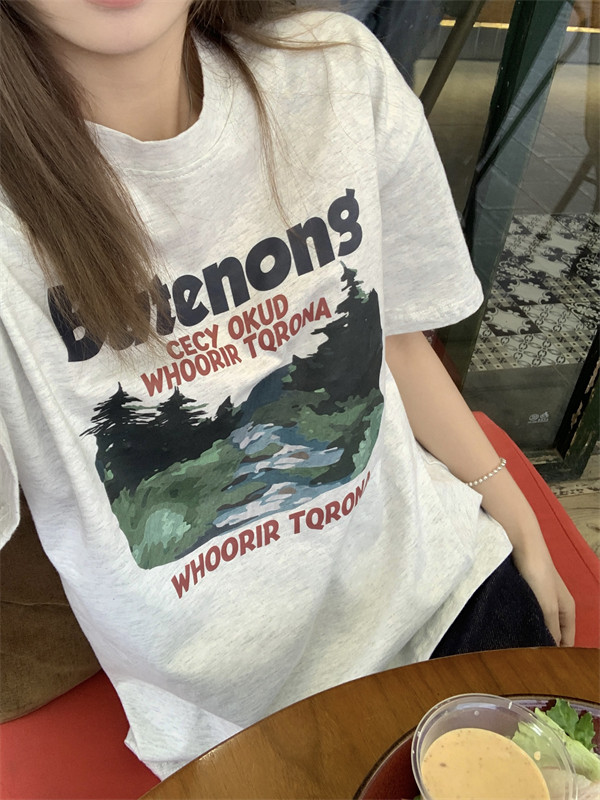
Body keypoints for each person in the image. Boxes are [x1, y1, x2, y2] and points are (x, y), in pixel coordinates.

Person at [0, 0, 574, 780]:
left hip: (446, 601)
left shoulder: (335, 72)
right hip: (238, 724)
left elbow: (397, 341)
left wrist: (519, 521)